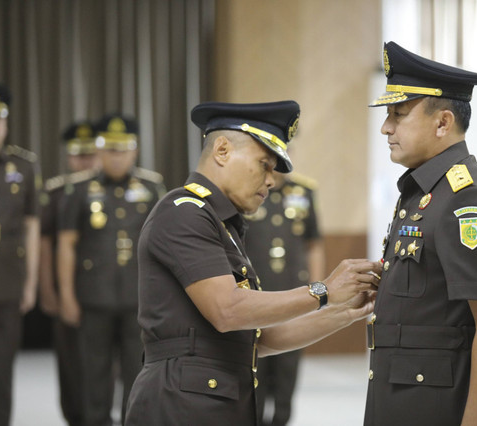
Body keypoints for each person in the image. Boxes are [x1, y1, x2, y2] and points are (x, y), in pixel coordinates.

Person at [125, 101, 380, 426]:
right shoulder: (184, 212)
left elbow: (261, 338)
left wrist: (347, 310)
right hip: (180, 404)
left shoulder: (221, 223)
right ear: (222, 150)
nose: (271, 180)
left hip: (210, 400)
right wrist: (324, 290)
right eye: (264, 164)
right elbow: (228, 310)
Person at [364, 42, 477, 425]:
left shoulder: (467, 196)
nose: (386, 127)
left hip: (442, 409)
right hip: (405, 400)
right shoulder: (421, 191)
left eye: (398, 114)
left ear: (443, 122)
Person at [57, 114, 165, 426]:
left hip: (139, 300)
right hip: (93, 298)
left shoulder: (152, 187)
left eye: (123, 149)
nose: (117, 156)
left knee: (138, 371)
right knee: (94, 372)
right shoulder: (78, 190)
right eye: (110, 149)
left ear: (135, 150)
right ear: (100, 150)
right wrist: (66, 294)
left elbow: (165, 244)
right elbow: (66, 245)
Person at [244, 169, 324, 426]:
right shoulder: (248, 190)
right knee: (254, 376)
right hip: (255, 299)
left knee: (287, 375)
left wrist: (319, 294)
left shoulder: (303, 191)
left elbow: (314, 244)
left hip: (295, 297)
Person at [0, 82, 41, 425]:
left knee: (1, 368)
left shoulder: (24, 166)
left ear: (6, 122)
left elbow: (32, 227)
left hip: (7, 284)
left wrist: (31, 283)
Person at [39, 121, 100, 426]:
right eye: (78, 155)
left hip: (104, 291)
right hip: (68, 288)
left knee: (105, 363)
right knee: (70, 360)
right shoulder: (56, 191)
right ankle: (75, 416)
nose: (84, 161)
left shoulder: (111, 189)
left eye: (90, 154)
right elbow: (45, 245)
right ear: (68, 156)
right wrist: (49, 291)